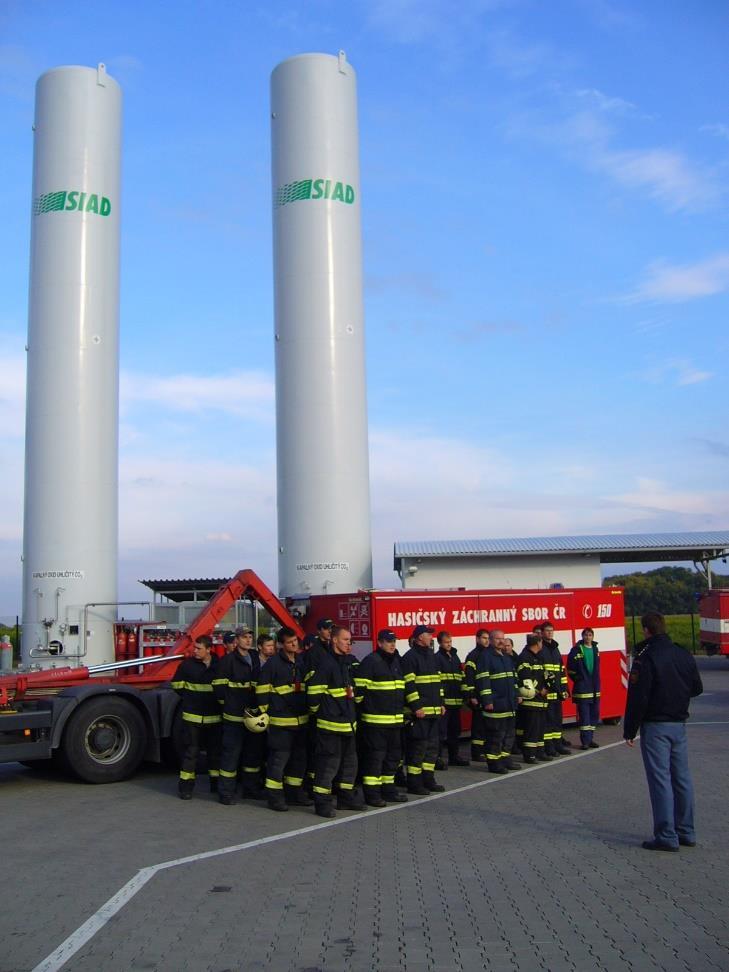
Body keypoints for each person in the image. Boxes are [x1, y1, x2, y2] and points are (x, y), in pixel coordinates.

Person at [624, 612, 703, 852]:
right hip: (679, 724)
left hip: (656, 725)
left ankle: (666, 835)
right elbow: (697, 688)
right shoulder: (682, 653)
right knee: (682, 779)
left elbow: (639, 696)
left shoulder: (646, 657)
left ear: (647, 630)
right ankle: (686, 831)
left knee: (660, 780)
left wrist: (630, 729)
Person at [307, 625, 365, 818]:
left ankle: (345, 798)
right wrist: (322, 712)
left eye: (350, 640)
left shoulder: (346, 663)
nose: (349, 643)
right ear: (334, 640)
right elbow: (314, 693)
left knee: (351, 763)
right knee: (328, 765)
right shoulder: (327, 663)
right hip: (330, 725)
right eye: (345, 640)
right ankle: (322, 803)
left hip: (348, 724)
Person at [255, 626, 311, 811]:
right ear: (280, 644)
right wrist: (267, 715)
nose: (294, 644)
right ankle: (274, 797)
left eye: (295, 640)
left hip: (300, 720)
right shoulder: (273, 664)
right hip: (280, 722)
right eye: (289, 642)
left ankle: (294, 793)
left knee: (299, 760)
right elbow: (262, 691)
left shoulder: (301, 661)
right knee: (278, 762)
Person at [353, 629, 408, 806]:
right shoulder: (371, 662)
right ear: (379, 642)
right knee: (375, 760)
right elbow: (359, 693)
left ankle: (388, 790)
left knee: (392, 759)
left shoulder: (396, 662)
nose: (392, 644)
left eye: (394, 641)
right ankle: (372, 795)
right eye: (388, 641)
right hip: (375, 722)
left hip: (395, 722)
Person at [213, 625, 265, 804]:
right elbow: (219, 688)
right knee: (231, 755)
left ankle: (250, 789)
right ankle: (226, 792)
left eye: (250, 636)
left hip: (252, 716)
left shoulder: (255, 658)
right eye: (244, 637)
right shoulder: (228, 661)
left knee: (252, 754)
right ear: (236, 640)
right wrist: (229, 706)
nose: (248, 640)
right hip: (234, 717)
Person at [171, 635, 221, 800]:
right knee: (191, 753)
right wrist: (190, 697)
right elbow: (176, 685)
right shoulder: (187, 665)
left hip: (214, 717)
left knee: (215, 753)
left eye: (199, 648)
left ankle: (215, 784)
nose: (195, 651)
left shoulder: (218, 665)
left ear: (209, 649)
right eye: (195, 647)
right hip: (192, 717)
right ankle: (186, 787)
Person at [401, 624, 445, 795]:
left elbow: (438, 682)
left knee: (432, 748)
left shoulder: (432, 657)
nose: (431, 637)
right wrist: (416, 706)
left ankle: (428, 779)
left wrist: (441, 703)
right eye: (428, 634)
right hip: (420, 713)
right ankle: (414, 783)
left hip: (433, 711)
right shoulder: (410, 657)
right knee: (418, 749)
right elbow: (409, 685)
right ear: (419, 637)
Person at [476, 632, 521, 773]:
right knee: (495, 735)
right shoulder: (486, 657)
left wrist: (517, 694)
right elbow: (483, 681)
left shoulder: (506, 657)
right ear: (490, 640)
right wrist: (487, 700)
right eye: (498, 639)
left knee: (508, 734)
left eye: (502, 638)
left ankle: (505, 758)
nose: (501, 641)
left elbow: (513, 679)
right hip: (495, 703)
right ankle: (494, 762)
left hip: (508, 703)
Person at [435, 630, 468, 768]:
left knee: (455, 731)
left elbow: (461, 676)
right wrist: (440, 701)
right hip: (445, 703)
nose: (449, 644)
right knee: (441, 733)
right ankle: (438, 759)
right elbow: (438, 681)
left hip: (456, 702)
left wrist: (465, 694)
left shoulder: (454, 657)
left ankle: (454, 756)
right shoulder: (437, 658)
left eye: (450, 642)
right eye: (446, 642)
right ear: (440, 643)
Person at [516, 634, 550, 763]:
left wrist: (549, 683)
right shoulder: (525, 657)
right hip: (531, 701)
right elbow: (526, 678)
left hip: (540, 701)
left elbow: (542, 675)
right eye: (541, 642)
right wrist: (539, 690)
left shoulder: (538, 657)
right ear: (538, 643)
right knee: (531, 730)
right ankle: (529, 755)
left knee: (540, 729)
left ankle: (540, 752)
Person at [539, 623, 571, 756]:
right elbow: (542, 670)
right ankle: (549, 747)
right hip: (548, 692)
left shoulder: (555, 649)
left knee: (557, 720)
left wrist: (564, 688)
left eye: (552, 631)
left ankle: (558, 744)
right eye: (547, 631)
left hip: (557, 692)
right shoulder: (541, 648)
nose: (550, 633)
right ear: (541, 633)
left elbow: (561, 670)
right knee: (548, 722)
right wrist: (548, 686)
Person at [567, 628, 601, 750]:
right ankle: (585, 741)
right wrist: (578, 679)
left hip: (594, 688)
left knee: (594, 715)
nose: (588, 637)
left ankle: (590, 738)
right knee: (584, 716)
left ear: (593, 636)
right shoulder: (576, 650)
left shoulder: (596, 649)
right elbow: (570, 668)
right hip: (582, 689)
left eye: (590, 635)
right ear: (582, 636)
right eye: (586, 635)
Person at [463, 629, 490, 761]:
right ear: (477, 639)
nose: (486, 640)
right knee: (478, 726)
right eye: (484, 638)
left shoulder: (489, 654)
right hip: (478, 696)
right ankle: (477, 752)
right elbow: (469, 677)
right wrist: (472, 695)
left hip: (487, 695)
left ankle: (485, 749)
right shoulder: (473, 656)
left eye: (487, 638)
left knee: (487, 724)